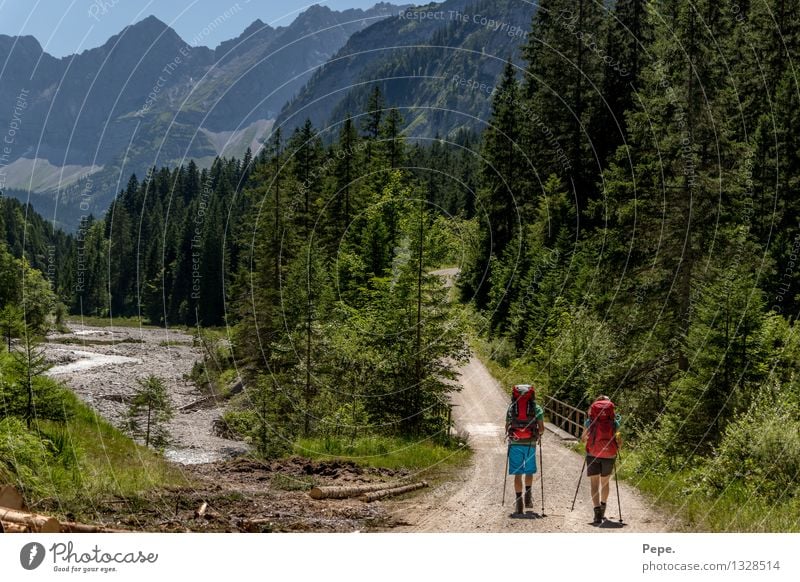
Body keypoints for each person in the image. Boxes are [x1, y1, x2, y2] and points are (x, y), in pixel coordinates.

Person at [505, 384, 545, 515]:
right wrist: (538, 434)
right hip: (530, 443)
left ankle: (519, 503)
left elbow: (506, 427)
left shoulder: (512, 408)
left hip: (515, 442)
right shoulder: (536, 408)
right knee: (529, 471)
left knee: (517, 473)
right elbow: (542, 428)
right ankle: (528, 496)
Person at [581, 395, 621, 524]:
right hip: (609, 455)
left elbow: (583, 439)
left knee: (594, 483)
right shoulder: (614, 422)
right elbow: (619, 441)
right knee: (605, 482)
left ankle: (597, 513)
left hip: (593, 454)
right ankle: (603, 508)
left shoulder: (589, 422)